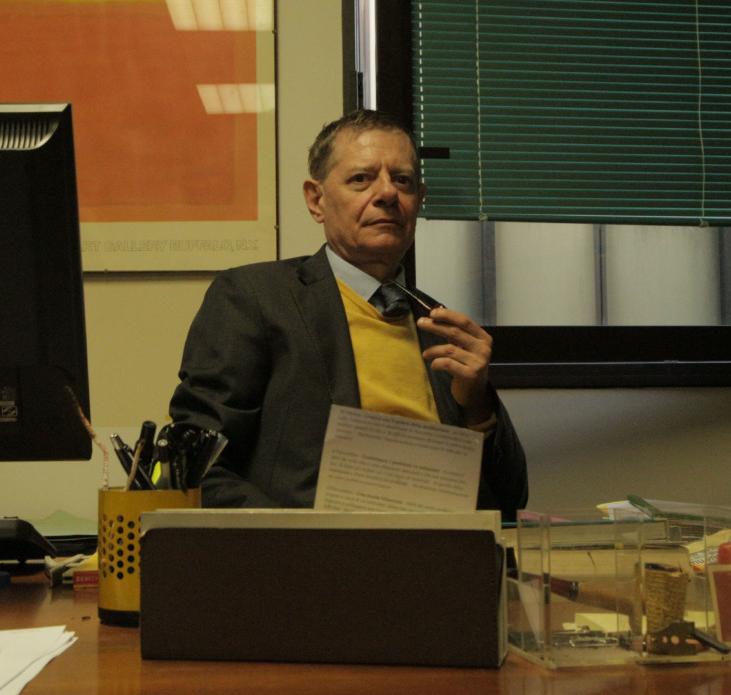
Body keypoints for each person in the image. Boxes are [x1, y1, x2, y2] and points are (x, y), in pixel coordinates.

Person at [168, 109, 527, 519]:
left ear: (419, 200)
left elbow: (511, 499)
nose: (387, 193)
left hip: (440, 547)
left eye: (403, 180)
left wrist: (477, 406)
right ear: (316, 199)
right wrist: (299, 540)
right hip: (309, 550)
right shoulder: (255, 298)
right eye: (361, 179)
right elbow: (194, 466)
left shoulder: (443, 328)